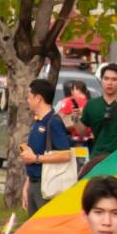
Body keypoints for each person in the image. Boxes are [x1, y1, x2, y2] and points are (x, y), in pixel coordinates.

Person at [22, 78, 75, 213]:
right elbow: (32, 156)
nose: (27, 100)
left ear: (38, 98)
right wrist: (27, 185)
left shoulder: (53, 122)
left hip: (47, 184)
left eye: (29, 97)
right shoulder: (36, 121)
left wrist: (36, 158)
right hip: (33, 182)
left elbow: (66, 155)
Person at [79, 63, 117, 174]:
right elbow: (82, 132)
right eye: (106, 79)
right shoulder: (91, 105)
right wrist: (74, 120)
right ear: (101, 81)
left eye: (114, 79)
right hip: (96, 159)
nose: (109, 83)